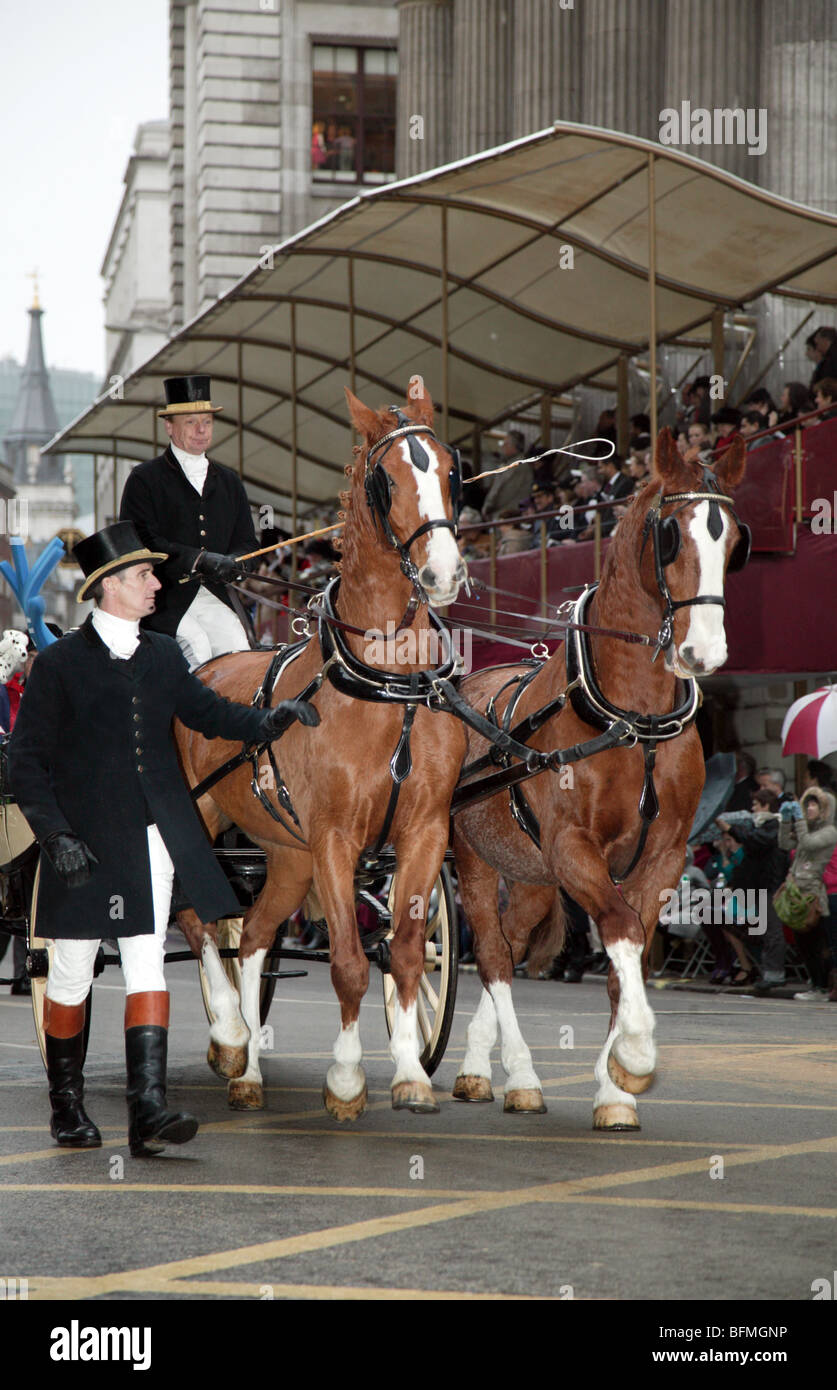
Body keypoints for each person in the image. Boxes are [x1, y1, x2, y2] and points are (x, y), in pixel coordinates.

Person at [8, 522, 319, 1156]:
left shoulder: (162, 655)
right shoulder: (61, 664)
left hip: (151, 833)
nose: (157, 583)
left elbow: (211, 715)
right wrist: (56, 835)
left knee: (147, 961)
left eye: (154, 573)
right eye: (146, 575)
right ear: (111, 586)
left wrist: (271, 720)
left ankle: (147, 1110)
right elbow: (27, 764)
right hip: (82, 842)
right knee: (70, 976)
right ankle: (66, 1108)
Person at [120, 376, 259, 671]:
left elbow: (248, 541)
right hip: (166, 599)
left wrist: (236, 562)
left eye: (207, 422)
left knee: (243, 659)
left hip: (218, 598)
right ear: (169, 426)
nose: (201, 430)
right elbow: (140, 540)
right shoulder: (144, 479)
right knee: (198, 653)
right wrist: (197, 559)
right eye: (191, 422)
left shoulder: (230, 481)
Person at [777, 787, 837, 1000]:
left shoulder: (830, 832)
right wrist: (785, 822)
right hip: (799, 893)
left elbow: (808, 844)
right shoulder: (806, 829)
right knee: (805, 942)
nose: (809, 808)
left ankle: (825, 986)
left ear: (825, 809)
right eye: (807, 804)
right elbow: (785, 843)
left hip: (820, 895)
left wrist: (799, 820)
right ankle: (816, 985)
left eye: (814, 805)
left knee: (824, 942)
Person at [480, 430, 533, 520]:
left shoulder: (520, 465)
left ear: (515, 446)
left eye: (506, 444)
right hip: (500, 514)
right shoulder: (508, 464)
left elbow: (506, 493)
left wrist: (489, 507)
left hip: (509, 516)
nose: (503, 446)